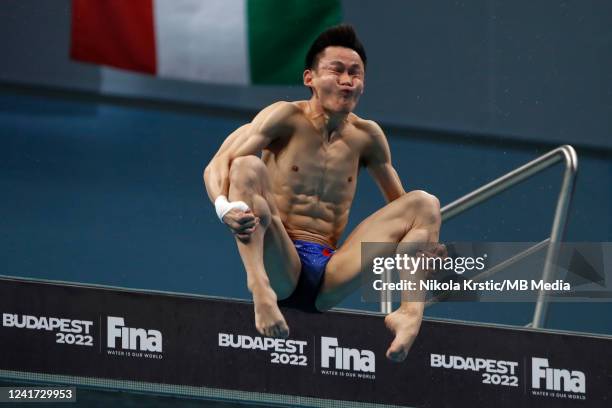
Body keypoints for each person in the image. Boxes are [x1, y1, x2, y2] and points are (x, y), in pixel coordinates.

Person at [204, 24, 442, 362]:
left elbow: (402, 208)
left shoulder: (367, 137)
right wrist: (223, 208)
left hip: (331, 273)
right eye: (337, 70)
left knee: (425, 204)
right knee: (246, 167)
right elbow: (218, 166)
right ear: (309, 78)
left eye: (355, 73)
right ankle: (260, 291)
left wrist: (427, 247)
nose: (347, 79)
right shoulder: (284, 117)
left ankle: (409, 314)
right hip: (279, 257)